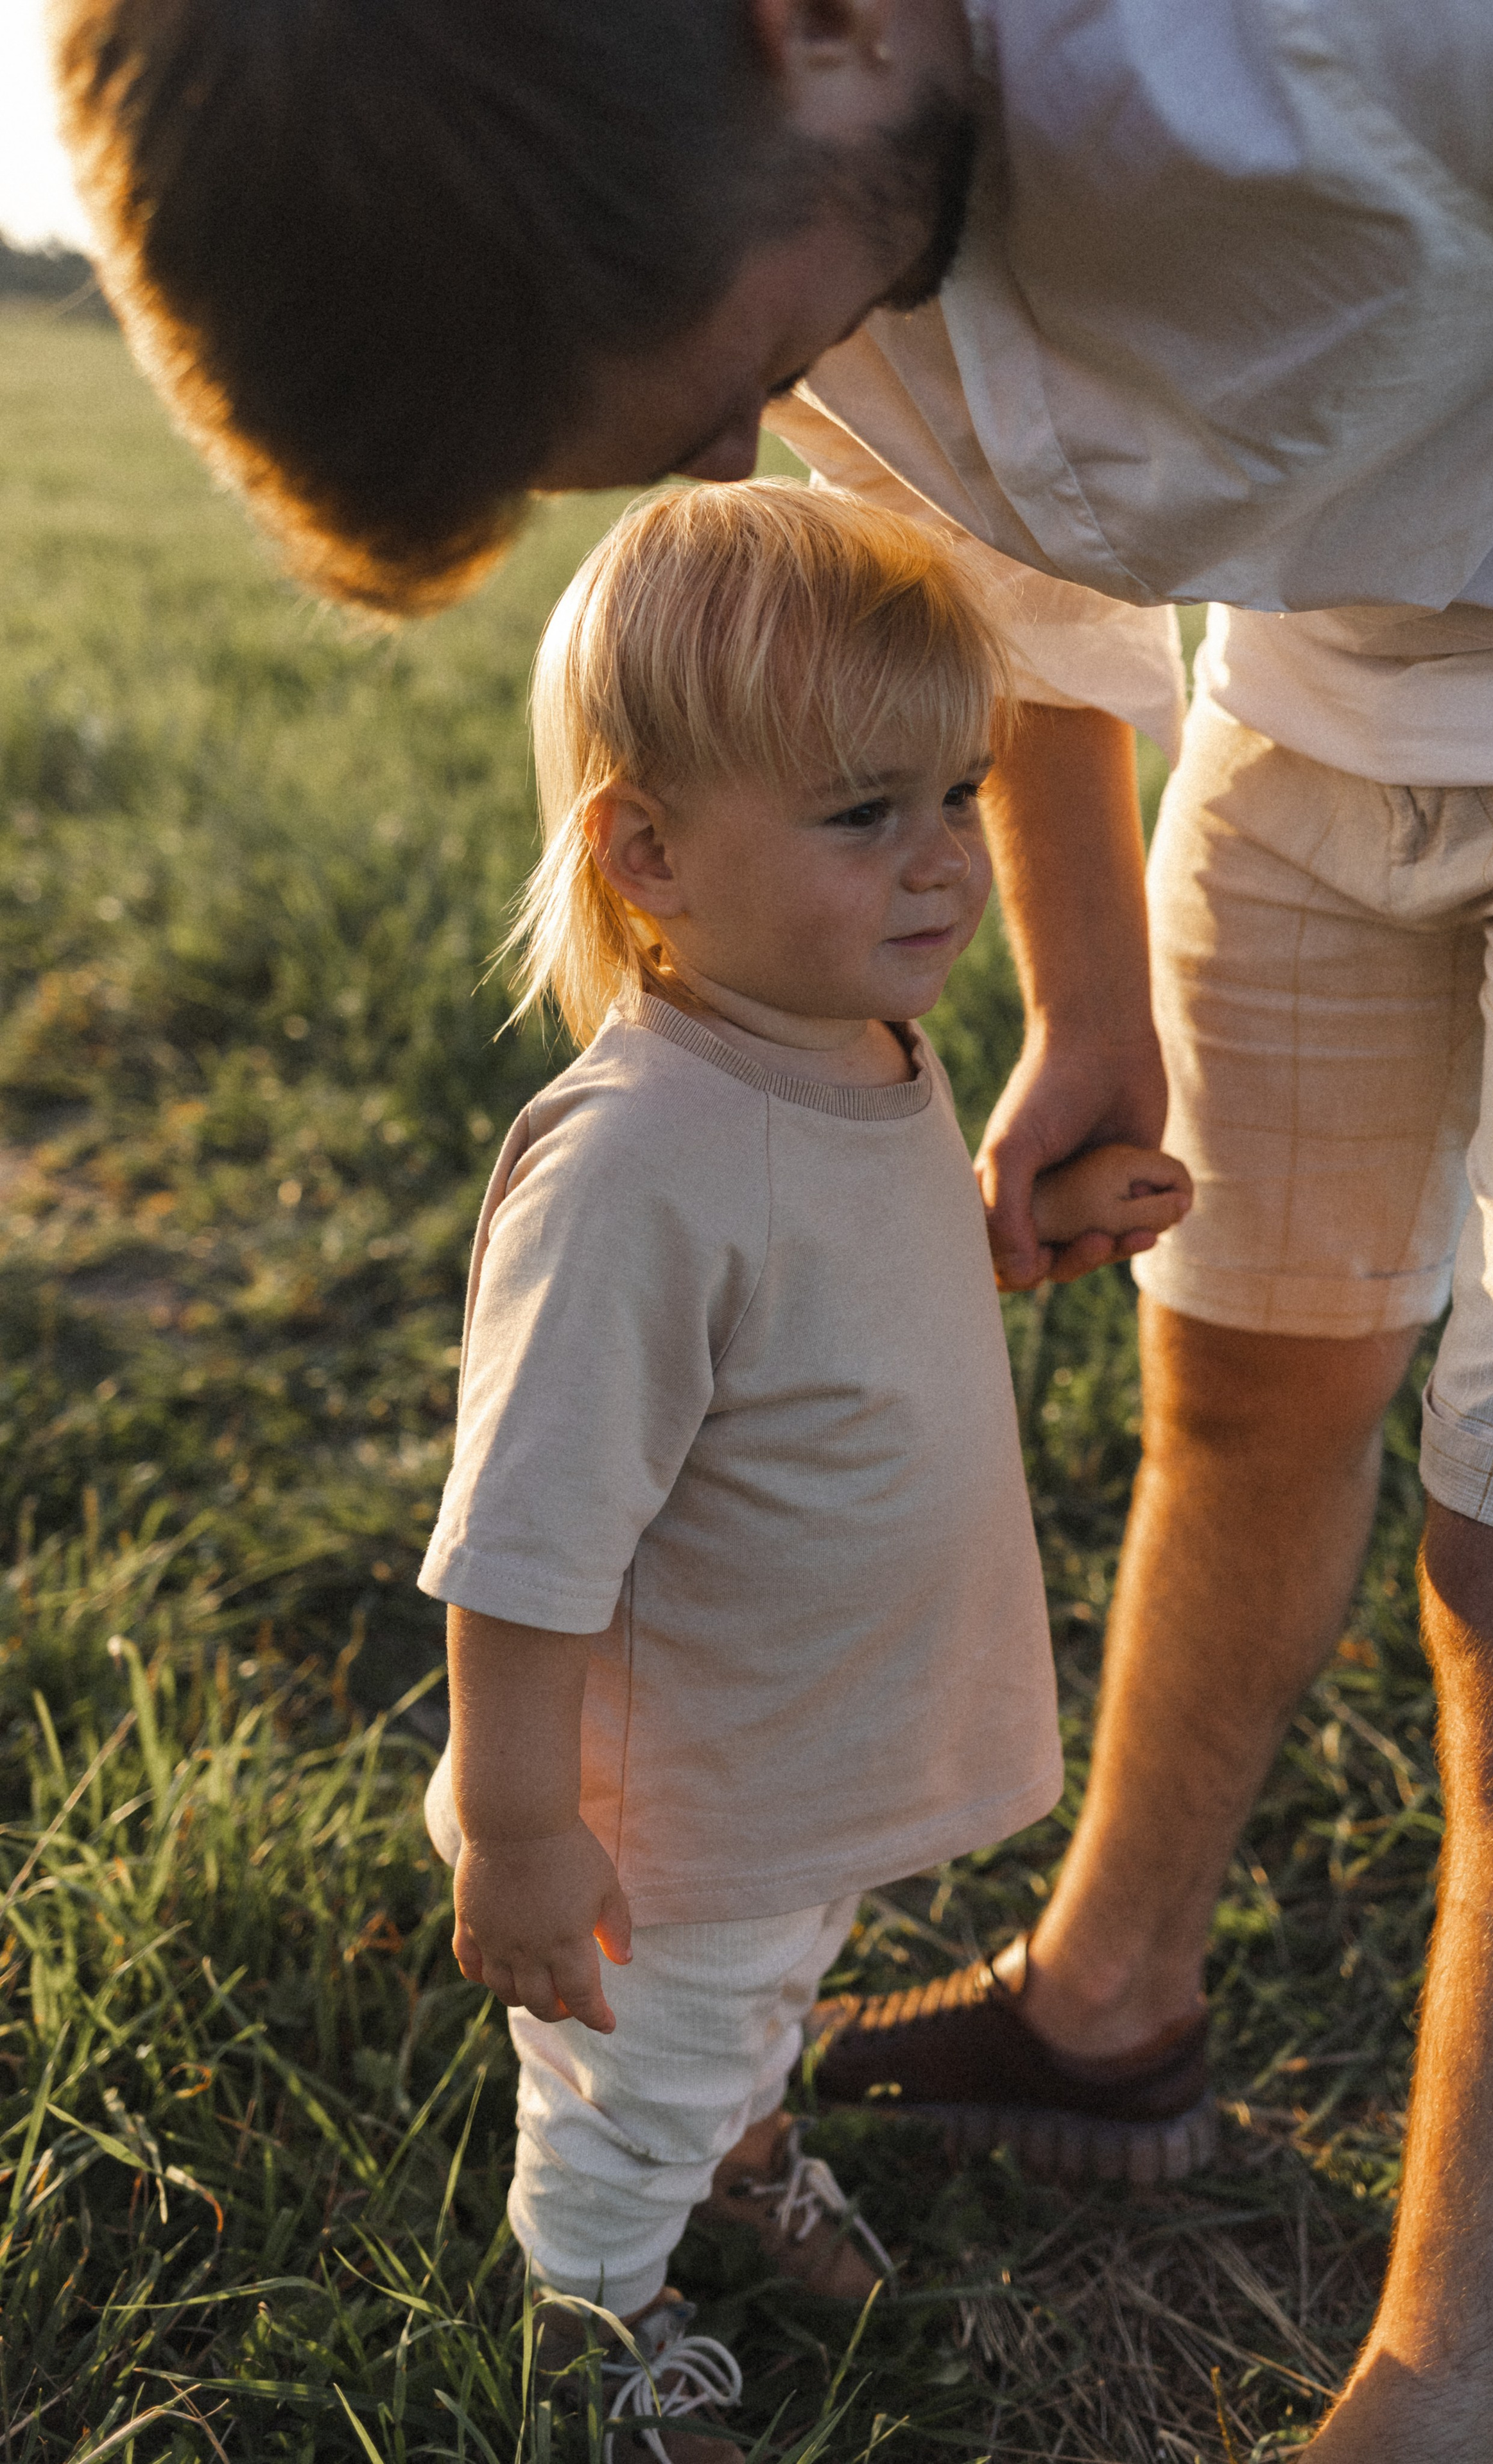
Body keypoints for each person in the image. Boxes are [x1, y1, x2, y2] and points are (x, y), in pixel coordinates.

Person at [49, 2, 1493, 2453]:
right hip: (1315, 718)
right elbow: (1003, 578)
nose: (726, 458)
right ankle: (1105, 2020)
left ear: (814, 30)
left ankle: (1435, 2408)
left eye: (703, 380)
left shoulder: (1415, 29)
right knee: (1242, 1379)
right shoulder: (776, 201)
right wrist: (1085, 1003)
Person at [413, 478, 1189, 2456]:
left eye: (959, 795)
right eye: (865, 814)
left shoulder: (865, 1044)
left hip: (805, 1747)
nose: (945, 865)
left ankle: (741, 2145)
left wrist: (1032, 1225)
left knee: (765, 1992)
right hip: (663, 1814)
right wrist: (515, 1832)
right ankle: (595, 2298)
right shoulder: (636, 1166)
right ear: (647, 851)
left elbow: (844, 1313)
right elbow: (525, 1543)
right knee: (638, 2065)